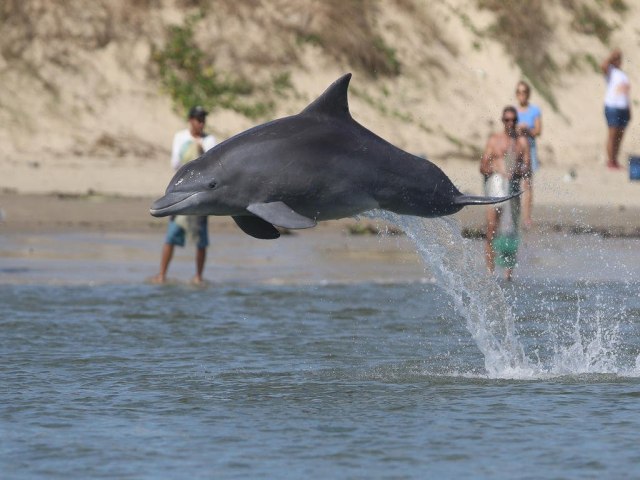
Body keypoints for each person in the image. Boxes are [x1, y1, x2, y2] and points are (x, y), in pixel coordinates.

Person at [151, 106, 216, 285]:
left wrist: (201, 149)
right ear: (190, 120)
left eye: (203, 119)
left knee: (201, 238)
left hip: (201, 195)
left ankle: (198, 277)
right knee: (172, 234)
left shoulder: (209, 140)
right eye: (198, 119)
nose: (201, 123)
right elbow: (175, 163)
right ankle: (162, 274)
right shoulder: (180, 137)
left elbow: (214, 167)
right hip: (182, 192)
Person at [480, 106, 531, 281]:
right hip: (495, 185)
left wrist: (516, 169)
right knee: (492, 228)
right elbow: (483, 166)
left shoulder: (521, 142)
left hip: (513, 186)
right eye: (507, 120)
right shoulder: (494, 140)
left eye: (513, 120)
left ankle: (508, 273)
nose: (510, 123)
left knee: (511, 231)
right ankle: (490, 270)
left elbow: (527, 168)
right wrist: (495, 168)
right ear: (502, 121)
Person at [515, 80, 541, 229]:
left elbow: (538, 131)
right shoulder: (513, 111)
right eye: (519, 92)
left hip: (529, 150)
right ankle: (514, 216)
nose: (522, 95)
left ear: (528, 94)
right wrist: (517, 130)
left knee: (527, 184)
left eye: (524, 92)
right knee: (513, 185)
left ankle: (527, 218)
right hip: (515, 150)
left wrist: (527, 130)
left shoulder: (534, 110)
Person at [601, 49, 631, 170]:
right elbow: (603, 65)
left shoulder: (623, 75)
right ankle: (610, 161)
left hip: (623, 108)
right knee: (612, 135)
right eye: (617, 59)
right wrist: (611, 56)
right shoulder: (610, 71)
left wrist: (629, 110)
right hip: (612, 107)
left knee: (620, 135)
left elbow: (626, 94)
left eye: (619, 59)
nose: (619, 61)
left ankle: (615, 160)